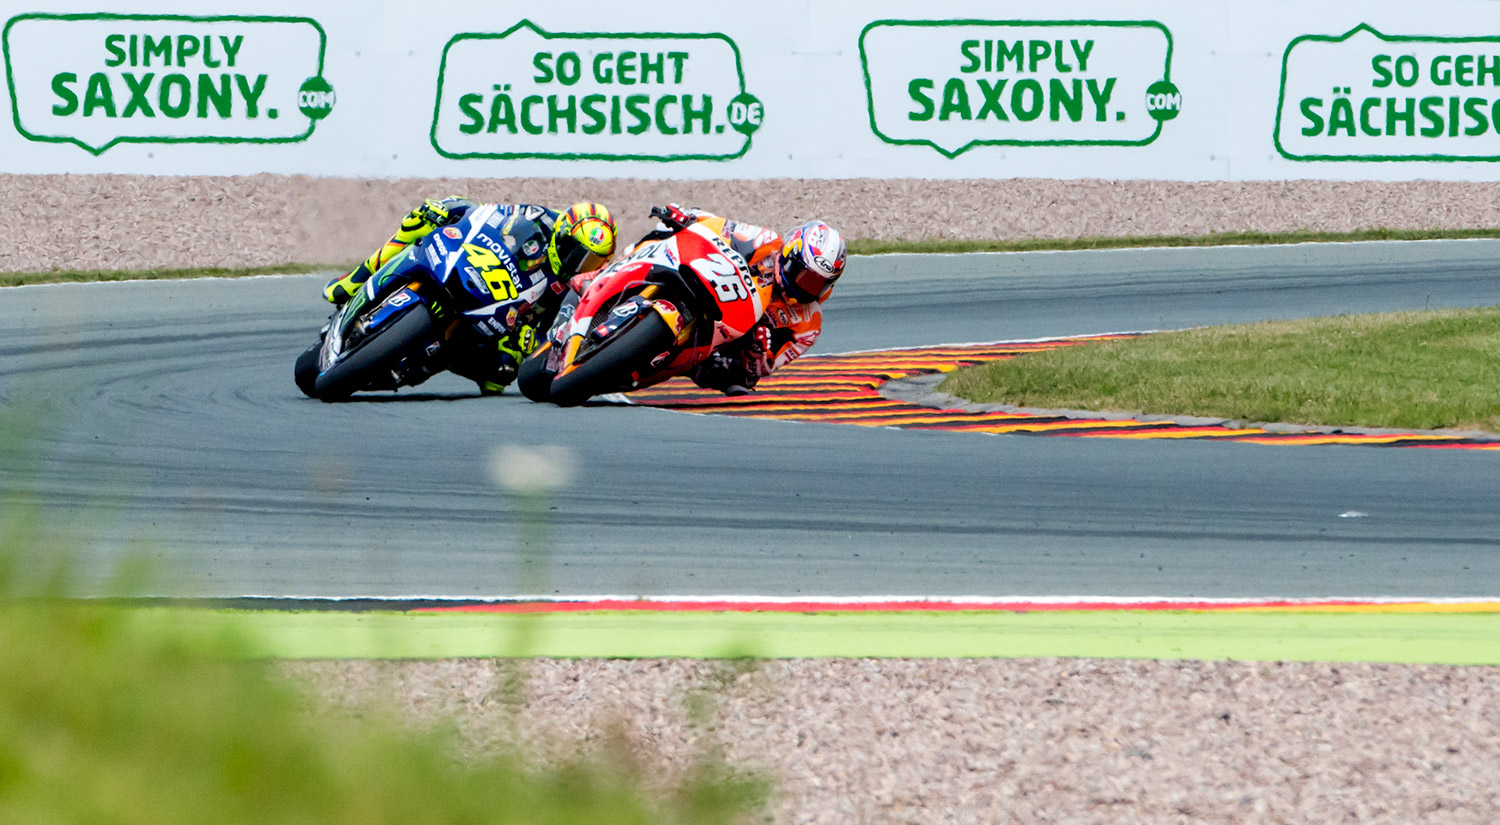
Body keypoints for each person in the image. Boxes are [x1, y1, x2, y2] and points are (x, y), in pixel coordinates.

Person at [323, 197, 616, 394]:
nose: (579, 265)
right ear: (562, 234)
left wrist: (532, 341)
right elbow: (487, 213)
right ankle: (353, 281)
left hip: (504, 319)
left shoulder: (571, 290)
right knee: (419, 222)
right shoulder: (540, 218)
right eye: (577, 253)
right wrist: (447, 208)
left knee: (500, 374)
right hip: (481, 269)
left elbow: (553, 339)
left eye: (590, 262)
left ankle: (416, 366)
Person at [650, 205, 846, 396]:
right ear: (789, 257)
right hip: (713, 281)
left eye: (818, 284)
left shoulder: (809, 324)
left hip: (731, 341)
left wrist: (758, 351)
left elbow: (765, 368)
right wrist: (689, 217)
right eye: (804, 276)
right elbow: (724, 227)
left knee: (740, 380)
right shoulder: (766, 241)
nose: (806, 287)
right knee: (665, 234)